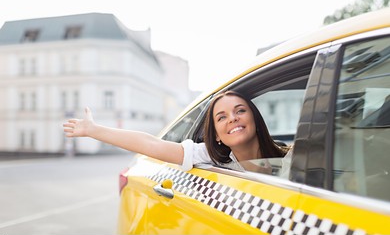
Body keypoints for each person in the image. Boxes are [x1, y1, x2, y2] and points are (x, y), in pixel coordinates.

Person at [63, 90, 290, 173]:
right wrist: (94, 130)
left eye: (240, 110)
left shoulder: (292, 156)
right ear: (217, 135)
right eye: (221, 117)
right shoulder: (211, 157)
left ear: (255, 119)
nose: (232, 118)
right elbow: (151, 145)